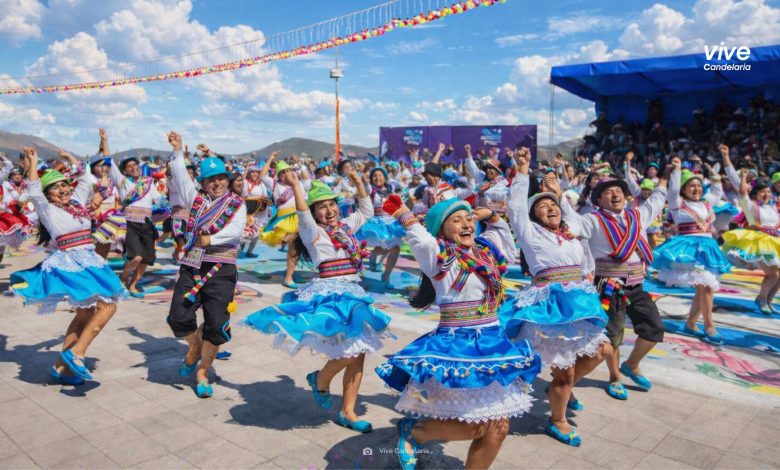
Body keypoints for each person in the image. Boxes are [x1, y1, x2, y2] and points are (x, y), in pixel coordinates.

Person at [376, 197, 540, 470]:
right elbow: (422, 240)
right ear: (441, 230)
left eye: (468, 218)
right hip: (458, 347)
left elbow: (505, 241)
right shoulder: (439, 257)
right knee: (481, 426)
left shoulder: (485, 254)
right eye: (456, 220)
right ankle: (415, 432)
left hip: (492, 343)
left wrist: (491, 216)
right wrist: (405, 214)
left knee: (499, 427)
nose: (466, 223)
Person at [244, 169, 391, 432]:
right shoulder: (312, 232)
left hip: (354, 291)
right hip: (332, 295)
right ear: (314, 213)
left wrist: (358, 182)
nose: (329, 210)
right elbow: (301, 212)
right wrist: (296, 186)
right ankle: (320, 379)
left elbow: (366, 211)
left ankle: (348, 411)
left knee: (359, 355)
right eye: (322, 207)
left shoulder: (347, 227)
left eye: (332, 204)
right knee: (354, 349)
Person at [499, 147, 610, 446]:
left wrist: (559, 193)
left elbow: (577, 226)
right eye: (542, 207)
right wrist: (522, 171)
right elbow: (516, 209)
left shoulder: (571, 233)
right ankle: (557, 419)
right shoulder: (531, 234)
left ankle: (563, 388)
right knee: (561, 372)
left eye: (554, 206)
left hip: (579, 301)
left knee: (601, 352)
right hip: (550, 307)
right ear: (533, 215)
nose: (550, 208)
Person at [11, 147, 124, 384]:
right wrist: (32, 162)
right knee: (108, 306)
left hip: (90, 259)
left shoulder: (77, 203)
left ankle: (61, 367)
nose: (63, 189)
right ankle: (77, 353)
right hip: (71, 261)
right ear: (48, 194)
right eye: (56, 187)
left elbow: (86, 178)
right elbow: (33, 188)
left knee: (86, 314)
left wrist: (71, 159)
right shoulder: (47, 210)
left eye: (64, 185)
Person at [560, 167, 670, 400]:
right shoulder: (592, 220)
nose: (615, 194)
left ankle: (631, 364)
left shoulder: (636, 216)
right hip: (609, 285)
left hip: (637, 284)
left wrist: (666, 177)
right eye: (608, 192)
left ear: (626, 194)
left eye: (618, 190)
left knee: (654, 329)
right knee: (612, 337)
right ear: (598, 199)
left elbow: (658, 200)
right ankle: (611, 378)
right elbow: (573, 222)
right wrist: (558, 195)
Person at [165, 131, 246, 398]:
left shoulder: (237, 204)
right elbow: (179, 176)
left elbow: (235, 232)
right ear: (203, 182)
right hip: (193, 263)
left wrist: (211, 238)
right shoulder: (195, 199)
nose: (217, 182)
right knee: (179, 315)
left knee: (215, 323)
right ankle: (193, 347)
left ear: (227, 179)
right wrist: (178, 151)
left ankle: (202, 371)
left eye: (221, 177)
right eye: (211, 179)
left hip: (221, 268)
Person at [652, 157, 732, 344]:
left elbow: (717, 191)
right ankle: (709, 325)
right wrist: (677, 170)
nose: (696, 189)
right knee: (707, 287)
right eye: (691, 186)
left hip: (708, 248)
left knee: (703, 288)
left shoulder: (706, 203)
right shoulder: (677, 203)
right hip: (689, 250)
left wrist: (714, 175)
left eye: (698, 186)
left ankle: (691, 323)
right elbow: (672, 190)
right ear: (683, 189)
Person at [105, 129, 163, 297]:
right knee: (136, 257)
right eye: (129, 166)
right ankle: (121, 281)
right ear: (124, 171)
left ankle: (133, 285)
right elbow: (109, 162)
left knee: (146, 260)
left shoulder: (148, 183)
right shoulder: (122, 182)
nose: (133, 168)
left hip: (147, 224)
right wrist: (105, 141)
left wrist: (166, 204)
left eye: (135, 165)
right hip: (130, 223)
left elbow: (158, 199)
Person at [722, 167, 780, 314]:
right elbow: (742, 193)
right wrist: (743, 177)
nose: (766, 194)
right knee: (774, 274)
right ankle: (761, 298)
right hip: (760, 243)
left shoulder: (773, 207)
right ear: (756, 194)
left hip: (775, 241)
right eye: (762, 192)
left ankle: (769, 300)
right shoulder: (750, 206)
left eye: (768, 191)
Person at [260, 154, 309, 288]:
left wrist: (299, 162)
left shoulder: (300, 183)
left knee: (300, 248)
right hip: (286, 221)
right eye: (283, 172)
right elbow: (263, 176)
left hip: (303, 218)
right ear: (278, 175)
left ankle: (290, 274)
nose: (287, 174)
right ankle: (288, 278)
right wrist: (270, 159)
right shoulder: (275, 185)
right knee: (294, 247)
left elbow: (306, 177)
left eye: (289, 171)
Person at [356, 166, 405, 287]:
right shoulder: (371, 190)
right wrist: (364, 183)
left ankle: (386, 276)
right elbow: (365, 190)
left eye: (380, 175)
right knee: (361, 247)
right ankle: (356, 272)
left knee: (395, 248)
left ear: (384, 177)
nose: (377, 178)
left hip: (390, 222)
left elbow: (400, 191)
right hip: (375, 223)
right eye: (375, 176)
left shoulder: (391, 189)